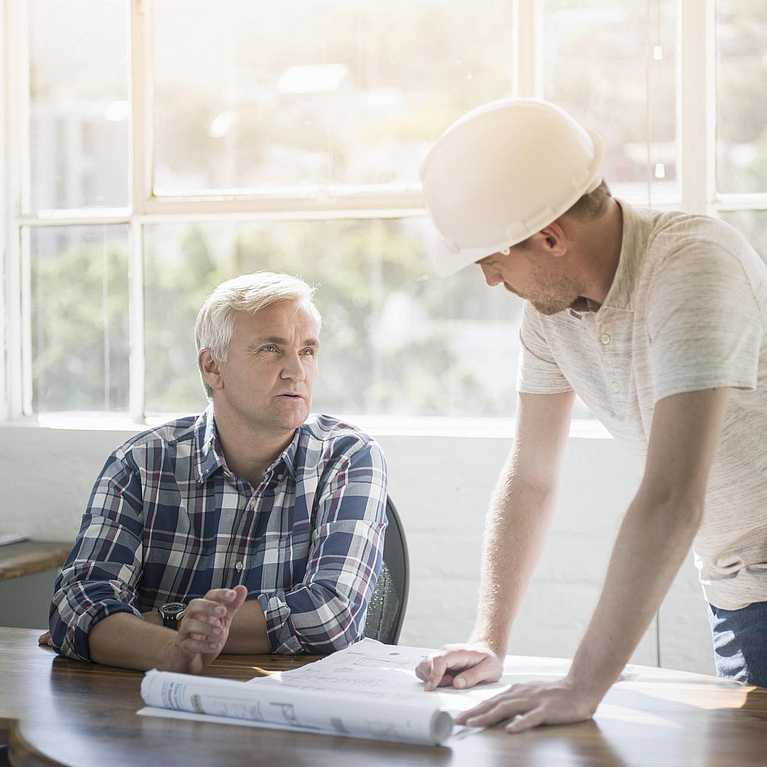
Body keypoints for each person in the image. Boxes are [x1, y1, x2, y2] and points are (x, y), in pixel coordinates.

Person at [414, 98, 767, 732]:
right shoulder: (550, 318)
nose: (491, 280)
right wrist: (490, 638)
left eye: (491, 259)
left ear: (550, 237)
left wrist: (581, 685)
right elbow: (531, 476)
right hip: (740, 592)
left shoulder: (694, 266)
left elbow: (671, 499)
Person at [45, 271, 388, 673]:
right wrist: (173, 650)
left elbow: (333, 614)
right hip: (153, 704)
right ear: (212, 368)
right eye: (271, 349)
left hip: (293, 712)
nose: (297, 370)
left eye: (308, 350)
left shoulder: (347, 456)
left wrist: (166, 620)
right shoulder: (141, 462)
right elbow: (75, 605)